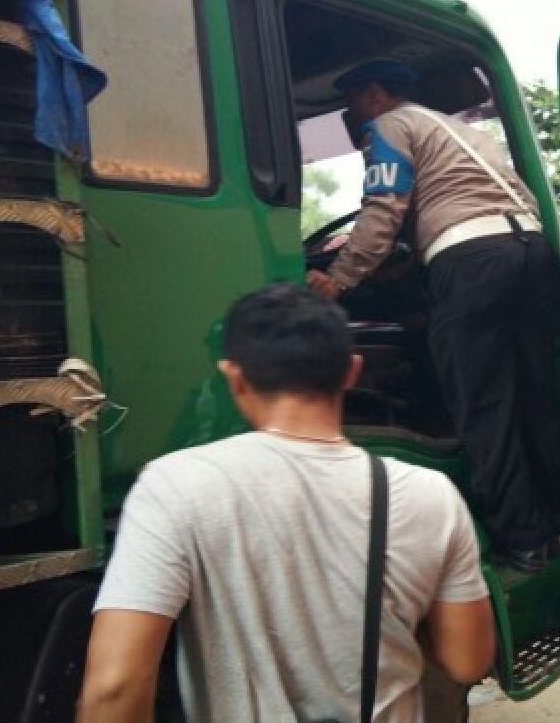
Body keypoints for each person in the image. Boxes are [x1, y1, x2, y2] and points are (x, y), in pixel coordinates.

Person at [77, 284, 495, 722]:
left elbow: (115, 688)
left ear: (233, 376)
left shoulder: (174, 485)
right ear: (352, 373)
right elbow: (468, 661)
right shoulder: (430, 494)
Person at [307, 59, 560, 572]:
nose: (350, 112)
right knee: (535, 396)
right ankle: (555, 525)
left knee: (484, 404)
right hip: (532, 253)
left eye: (354, 99)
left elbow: (384, 207)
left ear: (378, 96)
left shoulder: (389, 126)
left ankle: (519, 540)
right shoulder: (462, 131)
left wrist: (337, 279)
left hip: (470, 262)